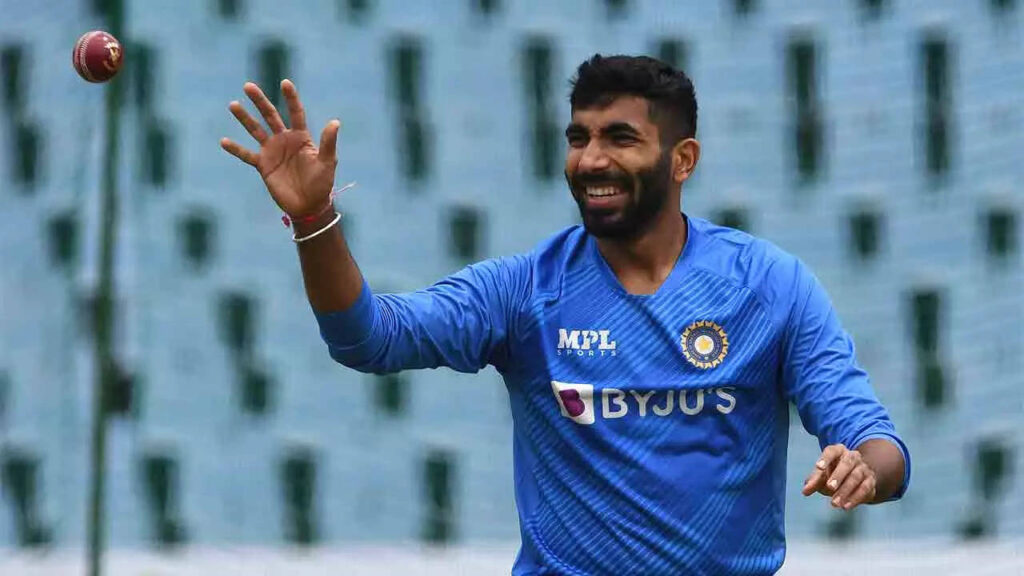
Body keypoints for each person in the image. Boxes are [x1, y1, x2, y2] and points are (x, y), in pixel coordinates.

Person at [221, 54, 910, 575]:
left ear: (683, 159)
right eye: (579, 138)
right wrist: (314, 218)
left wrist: (864, 470)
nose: (591, 160)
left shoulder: (769, 285)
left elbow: (879, 444)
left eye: (620, 138)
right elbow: (370, 339)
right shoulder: (526, 291)